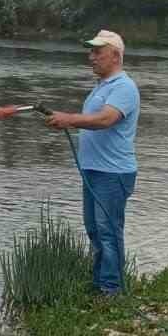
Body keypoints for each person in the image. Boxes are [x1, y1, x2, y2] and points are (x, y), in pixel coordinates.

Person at [45, 30, 140, 296]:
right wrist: (63, 119)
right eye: (91, 51)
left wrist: (69, 119)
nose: (91, 57)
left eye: (98, 52)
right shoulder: (102, 87)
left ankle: (113, 291)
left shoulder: (124, 87)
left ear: (116, 56)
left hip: (113, 174)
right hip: (94, 171)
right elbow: (90, 119)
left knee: (108, 232)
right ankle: (99, 284)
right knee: (95, 231)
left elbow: (104, 120)